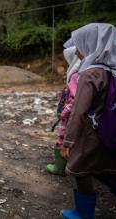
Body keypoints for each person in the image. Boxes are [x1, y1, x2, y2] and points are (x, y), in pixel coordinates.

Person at [60, 23, 116, 218]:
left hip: (89, 135)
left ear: (91, 44)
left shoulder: (90, 73)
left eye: (80, 44)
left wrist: (68, 141)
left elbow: (78, 111)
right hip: (109, 131)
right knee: (110, 172)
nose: (78, 50)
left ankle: (83, 213)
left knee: (80, 170)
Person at [46, 46, 80, 175]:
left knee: (63, 137)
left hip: (69, 115)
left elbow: (73, 99)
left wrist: (63, 113)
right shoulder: (80, 73)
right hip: (71, 112)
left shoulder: (76, 76)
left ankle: (59, 168)